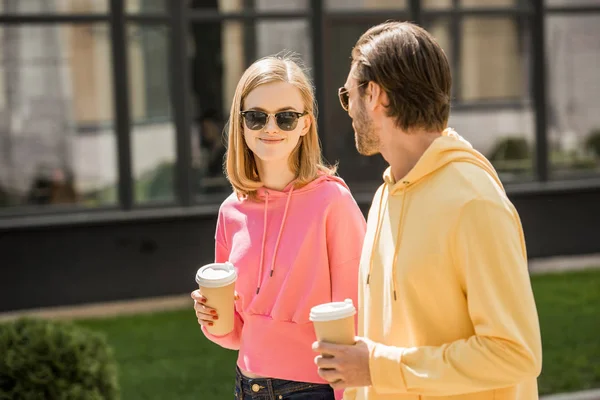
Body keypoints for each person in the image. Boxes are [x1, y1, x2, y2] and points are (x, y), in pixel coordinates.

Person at [313, 22, 543, 400]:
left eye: (347, 94)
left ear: (375, 95)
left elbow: (516, 353)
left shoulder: (475, 203)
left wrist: (377, 366)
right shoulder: (387, 195)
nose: (348, 109)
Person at [191, 54, 366, 400]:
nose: (270, 128)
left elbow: (358, 318)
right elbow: (237, 333)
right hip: (248, 386)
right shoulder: (231, 212)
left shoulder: (333, 203)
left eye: (286, 117)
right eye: (256, 117)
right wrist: (211, 318)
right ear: (241, 124)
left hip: (313, 389)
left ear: (305, 125)